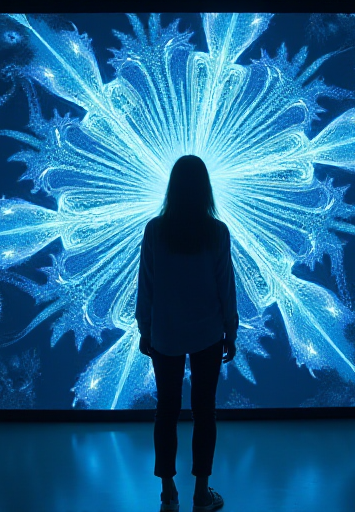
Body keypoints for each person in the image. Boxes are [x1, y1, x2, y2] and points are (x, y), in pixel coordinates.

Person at [136, 155, 238, 512]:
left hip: (165, 333)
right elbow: (225, 285)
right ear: (205, 189)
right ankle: (201, 493)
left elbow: (146, 285)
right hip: (208, 332)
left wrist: (143, 328)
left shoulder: (155, 230)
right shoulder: (217, 232)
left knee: (165, 410)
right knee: (204, 411)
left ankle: (168, 494)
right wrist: (231, 329)